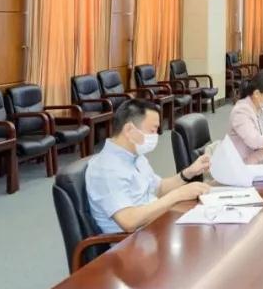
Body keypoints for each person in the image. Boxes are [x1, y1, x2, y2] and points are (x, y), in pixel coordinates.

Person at [86, 99, 211, 234]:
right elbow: (129, 221)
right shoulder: (106, 169)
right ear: (129, 130)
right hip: (133, 241)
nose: (155, 136)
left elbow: (158, 188)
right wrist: (178, 195)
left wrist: (188, 173)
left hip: (156, 225)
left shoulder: (136, 156)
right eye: (152, 130)